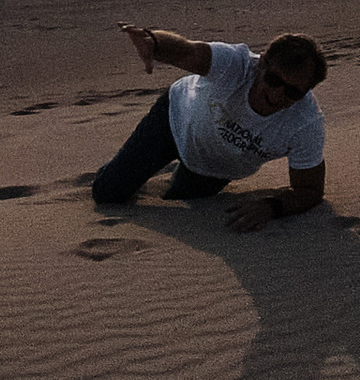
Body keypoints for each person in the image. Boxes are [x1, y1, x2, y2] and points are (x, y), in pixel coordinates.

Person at [90, 20, 328, 228]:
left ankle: (180, 169)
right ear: (261, 65)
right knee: (107, 193)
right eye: (274, 80)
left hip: (216, 166)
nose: (278, 95)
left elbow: (310, 190)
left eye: (293, 92)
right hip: (174, 119)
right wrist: (153, 42)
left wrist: (271, 207)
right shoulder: (235, 64)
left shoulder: (305, 124)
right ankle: (124, 165)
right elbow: (187, 51)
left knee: (178, 199)